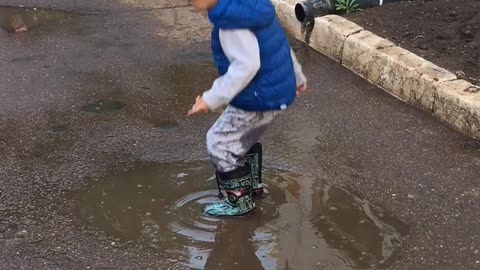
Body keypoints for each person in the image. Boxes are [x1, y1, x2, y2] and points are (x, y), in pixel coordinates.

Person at [188, 0, 307, 217]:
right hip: (275, 92)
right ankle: (253, 186)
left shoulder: (232, 23)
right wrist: (297, 76)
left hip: (256, 96)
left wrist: (210, 99)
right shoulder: (253, 8)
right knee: (244, 139)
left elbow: (246, 66)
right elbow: (280, 45)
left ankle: (238, 200)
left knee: (219, 142)